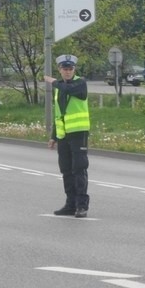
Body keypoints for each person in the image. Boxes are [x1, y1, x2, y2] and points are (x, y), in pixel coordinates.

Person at [44, 54, 91, 218]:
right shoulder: (59, 90)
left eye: (70, 69)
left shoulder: (80, 83)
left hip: (79, 133)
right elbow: (59, 115)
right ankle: (70, 204)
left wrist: (54, 82)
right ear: (60, 69)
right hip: (64, 135)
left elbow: (69, 88)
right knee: (66, 170)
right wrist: (54, 136)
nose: (68, 72)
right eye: (65, 69)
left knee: (79, 168)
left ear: (74, 70)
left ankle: (82, 205)